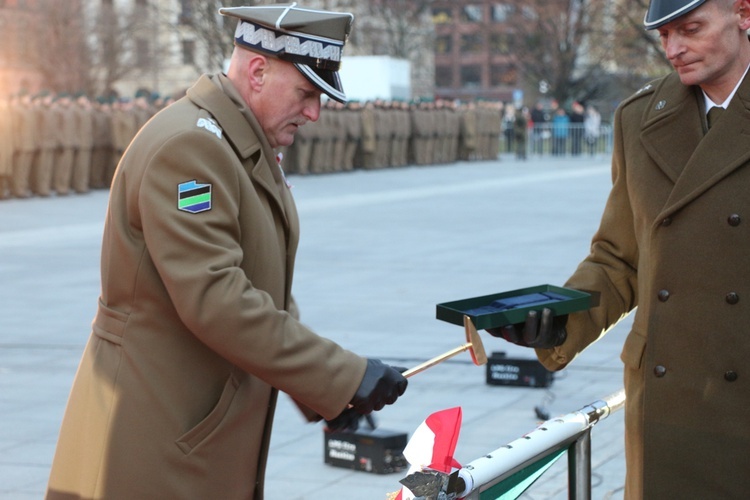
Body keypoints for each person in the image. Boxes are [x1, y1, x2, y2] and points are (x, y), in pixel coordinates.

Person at [45, 4, 407, 499]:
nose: (314, 112)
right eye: (305, 93)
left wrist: (325, 389)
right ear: (258, 71)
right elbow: (217, 298)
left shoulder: (239, 148)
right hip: (155, 429)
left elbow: (265, 289)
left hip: (194, 428)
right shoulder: (190, 150)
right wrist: (340, 375)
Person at [487, 0, 750, 497]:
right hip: (668, 401)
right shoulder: (641, 118)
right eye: (664, 35)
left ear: (742, 12)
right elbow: (619, 257)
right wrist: (557, 318)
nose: (674, 50)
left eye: (691, 29)